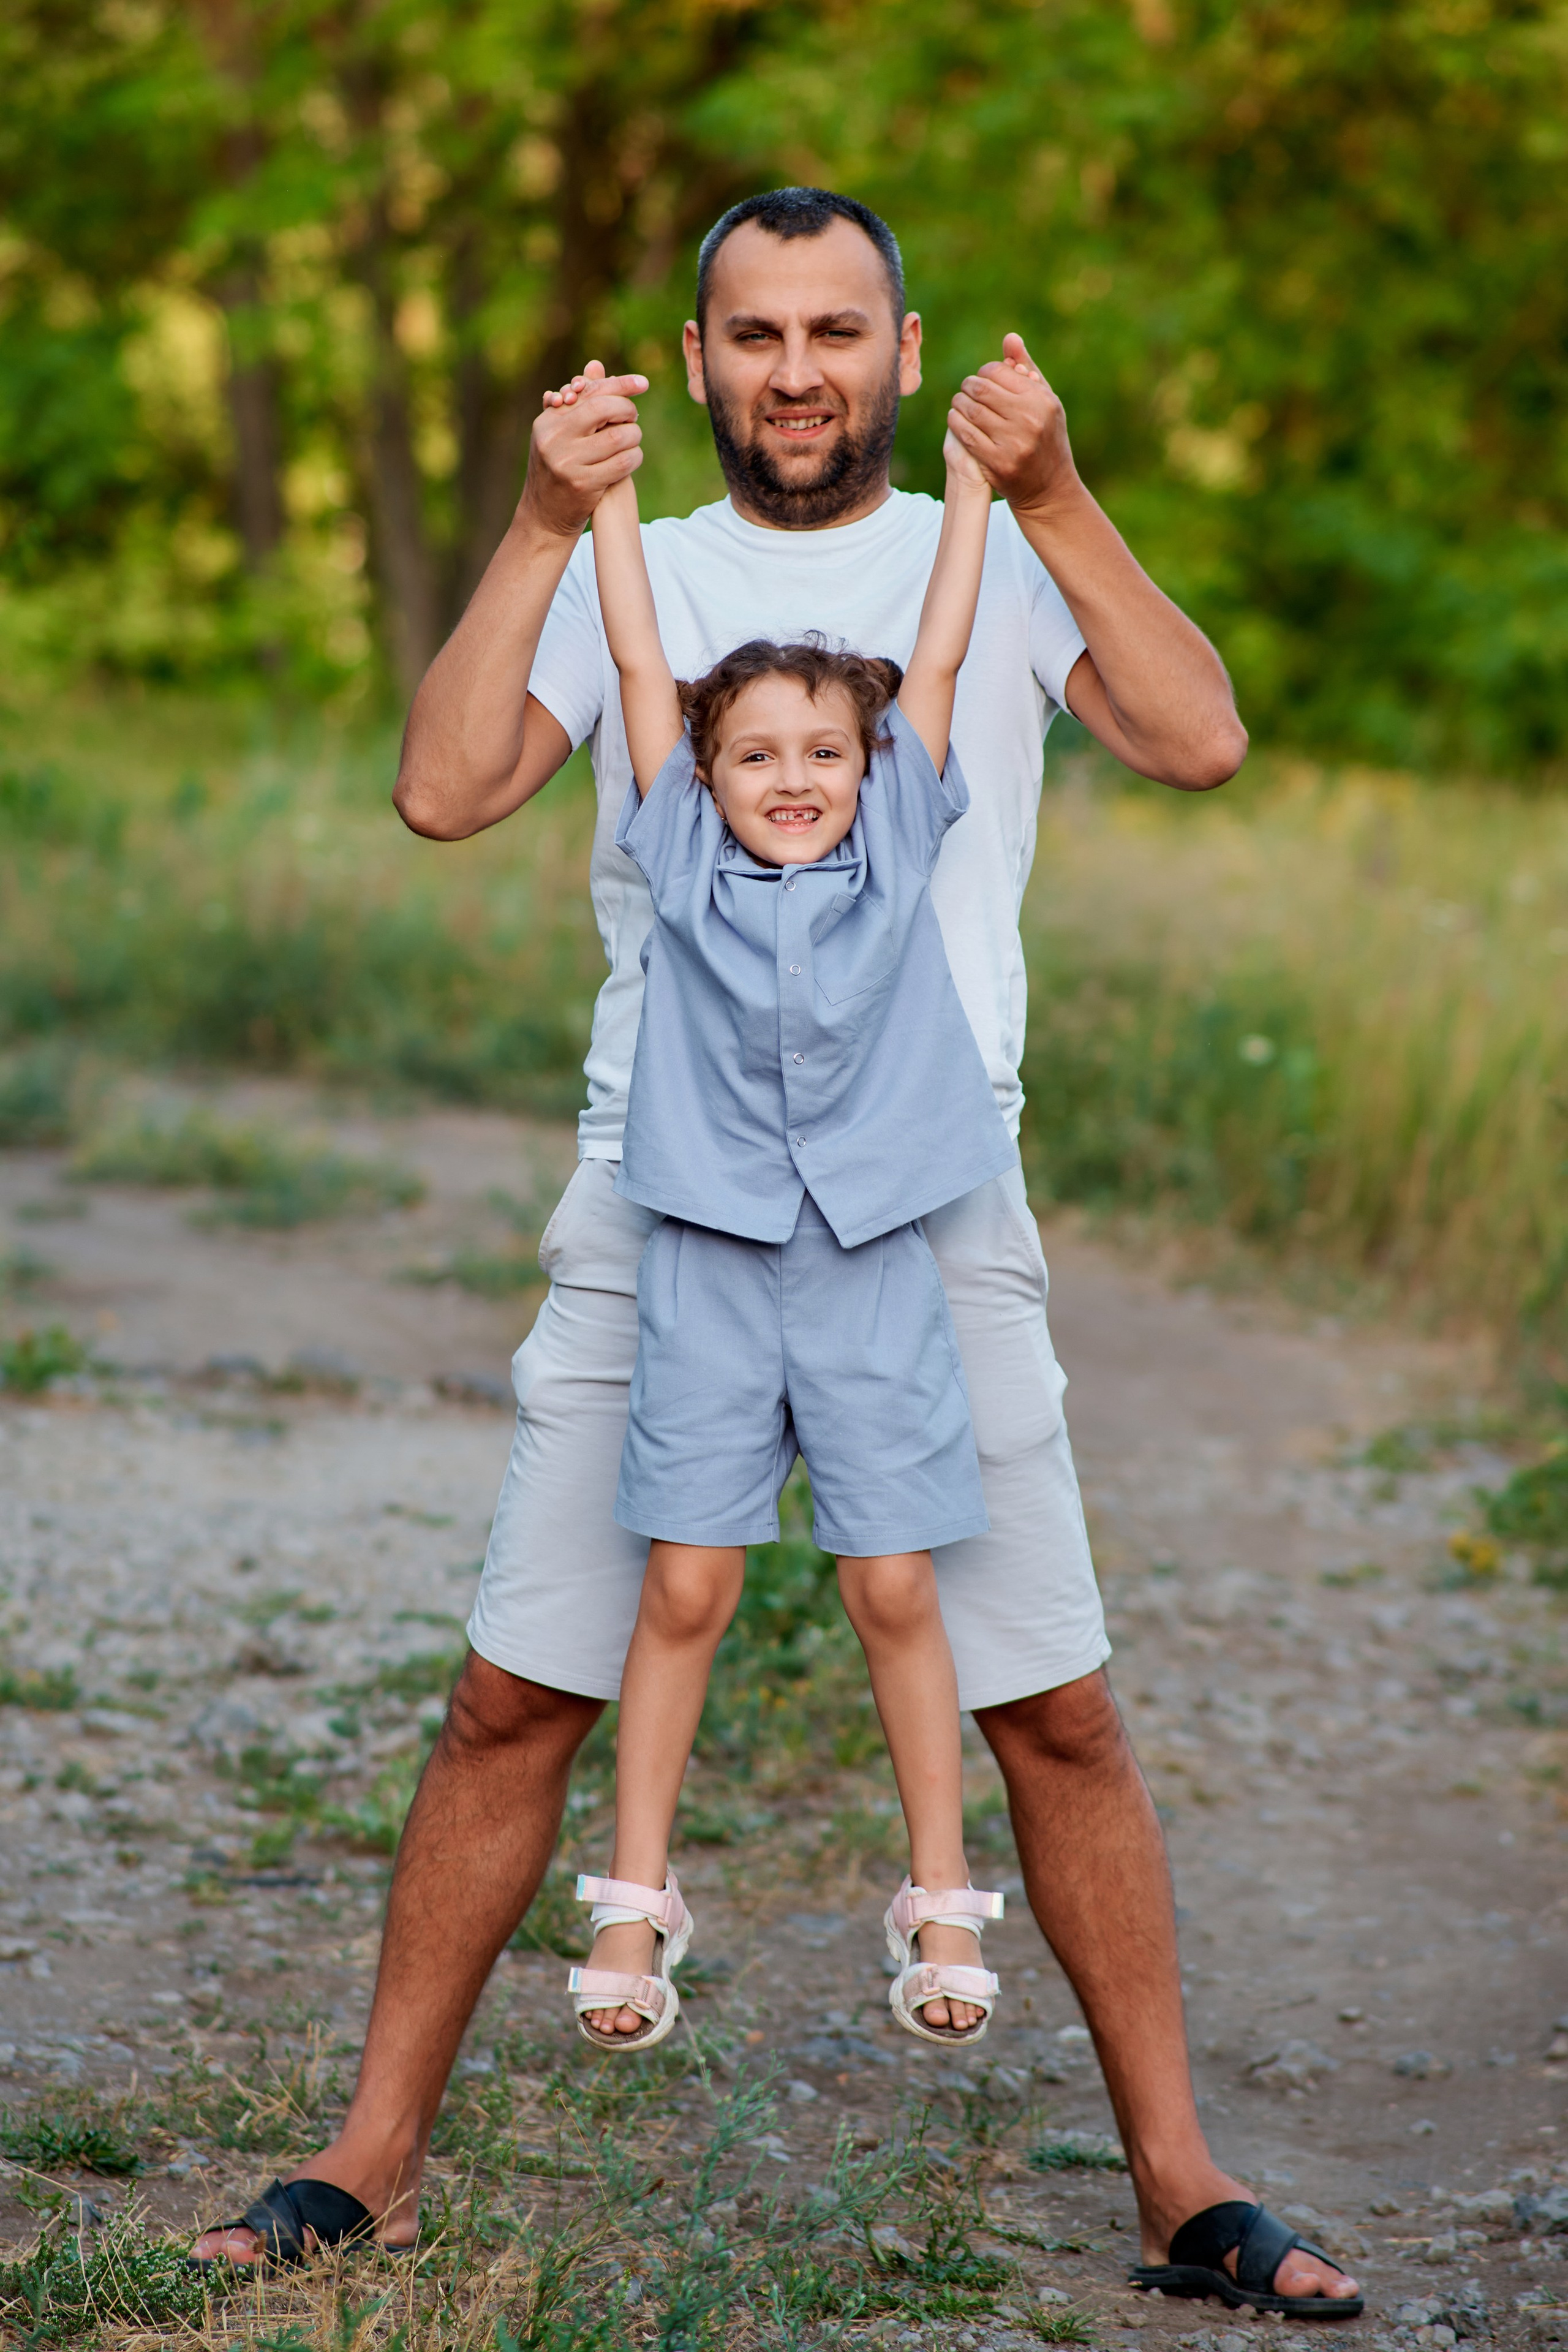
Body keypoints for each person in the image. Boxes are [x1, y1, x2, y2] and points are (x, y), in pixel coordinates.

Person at [193, 187, 1361, 2316]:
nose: (796, 369)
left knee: (1056, 1709)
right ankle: (372, 2158)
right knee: (515, 1692)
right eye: (755, 333)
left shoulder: (988, 553)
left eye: (837, 329)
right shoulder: (634, 562)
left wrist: (1057, 488)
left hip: (935, 1205)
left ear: (903, 354)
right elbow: (444, 790)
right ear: (699, 357)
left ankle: (1180, 2183)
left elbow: (1198, 736)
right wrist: (542, 520)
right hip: (666, 1201)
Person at [568, 402, 1013, 2053]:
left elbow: (940, 654)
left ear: (868, 765)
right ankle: (635, 1898)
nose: (793, 779)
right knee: (688, 1584)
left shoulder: (896, 833)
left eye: (823, 752)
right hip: (710, 1254)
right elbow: (638, 663)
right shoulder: (679, 850)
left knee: (892, 1583)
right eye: (754, 754)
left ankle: (939, 1892)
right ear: (704, 774)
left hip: (869, 1256)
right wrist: (607, 498)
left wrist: (975, 485)